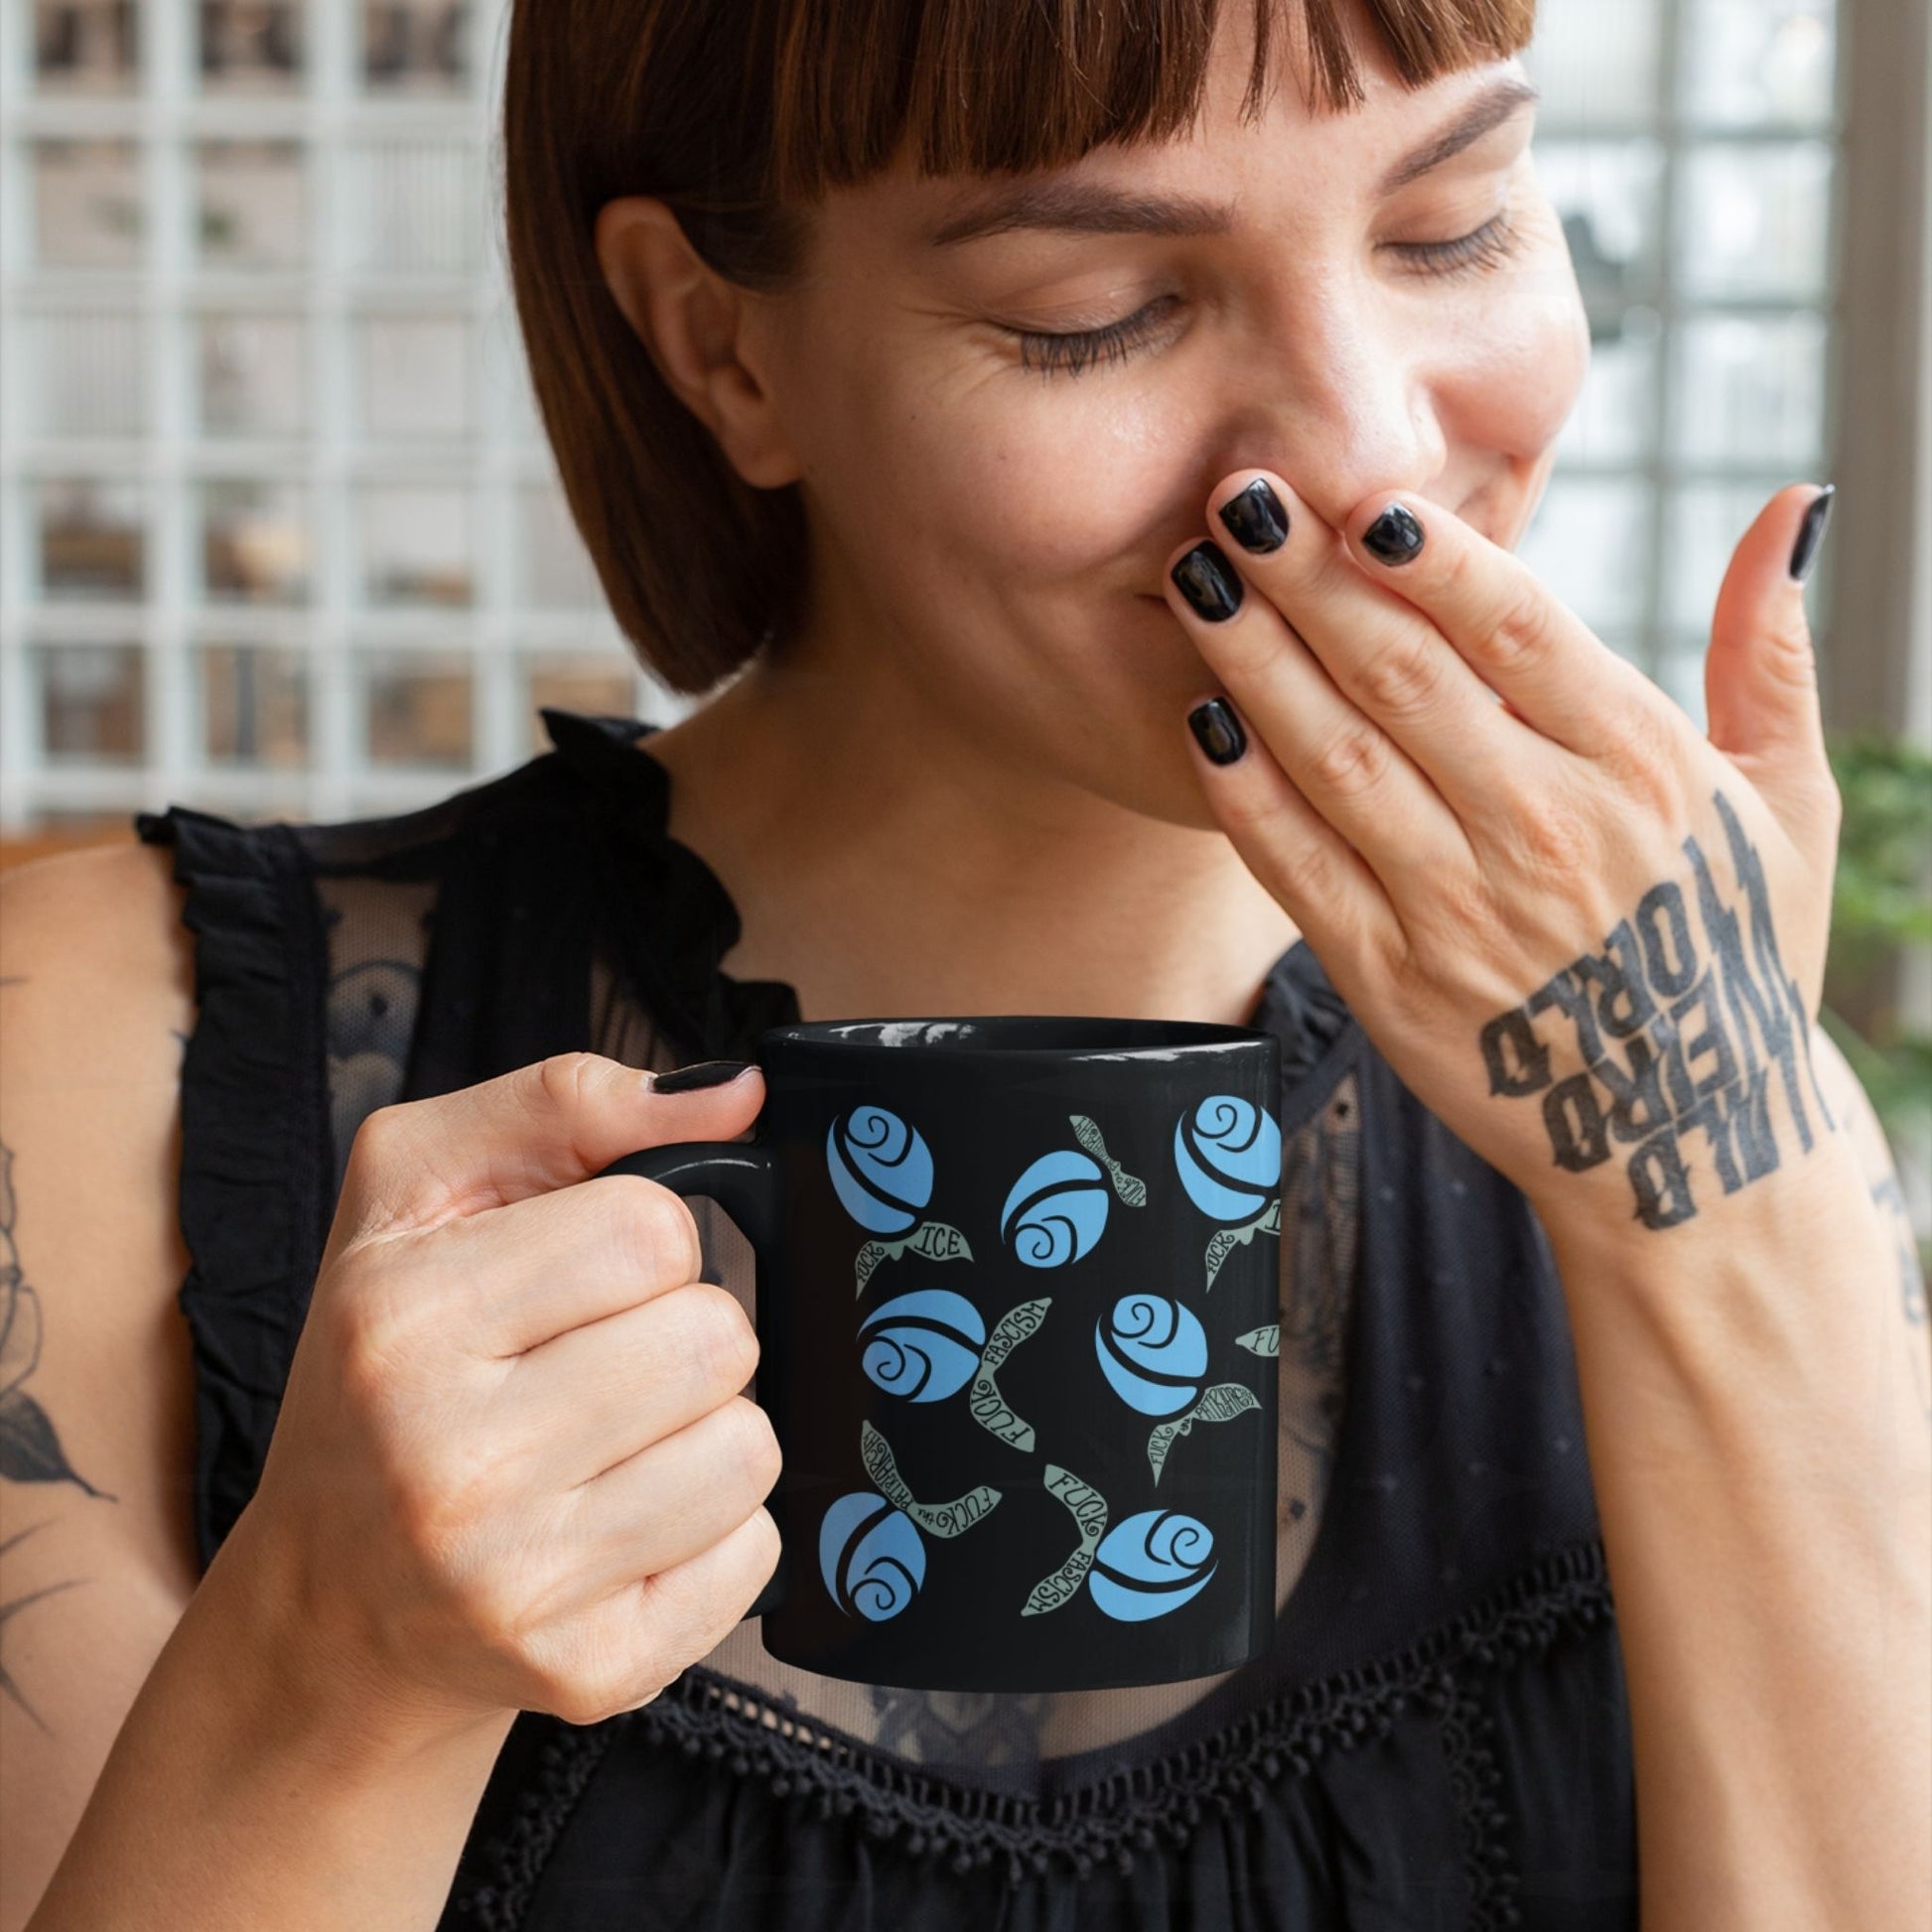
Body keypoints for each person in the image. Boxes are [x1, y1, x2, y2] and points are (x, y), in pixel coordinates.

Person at [2, 0, 1926, 1927]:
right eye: (1094, 307)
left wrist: (1734, 1208)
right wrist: (327, 1678)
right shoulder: (96, 1059)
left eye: (1457, 223)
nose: (1363, 449)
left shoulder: (1706, 1103)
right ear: (716, 341)